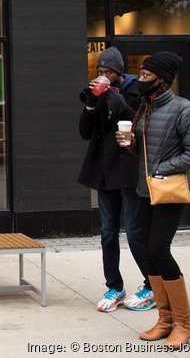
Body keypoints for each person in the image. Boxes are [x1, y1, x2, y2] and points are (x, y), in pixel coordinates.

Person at [115, 51, 190, 350]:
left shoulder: (183, 109)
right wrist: (130, 144)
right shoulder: (145, 107)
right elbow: (145, 150)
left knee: (158, 249)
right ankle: (165, 320)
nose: (140, 79)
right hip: (145, 190)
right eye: (140, 74)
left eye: (145, 75)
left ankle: (185, 322)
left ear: (161, 80)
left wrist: (159, 169)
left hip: (169, 189)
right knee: (146, 250)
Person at [77, 47, 154, 312]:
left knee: (134, 231)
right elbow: (85, 132)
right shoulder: (100, 93)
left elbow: (132, 118)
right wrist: (90, 102)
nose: (103, 76)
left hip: (129, 171)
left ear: (119, 73)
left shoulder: (135, 92)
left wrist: (110, 95)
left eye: (108, 72)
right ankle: (114, 286)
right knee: (108, 232)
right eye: (99, 72)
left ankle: (152, 284)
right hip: (105, 172)